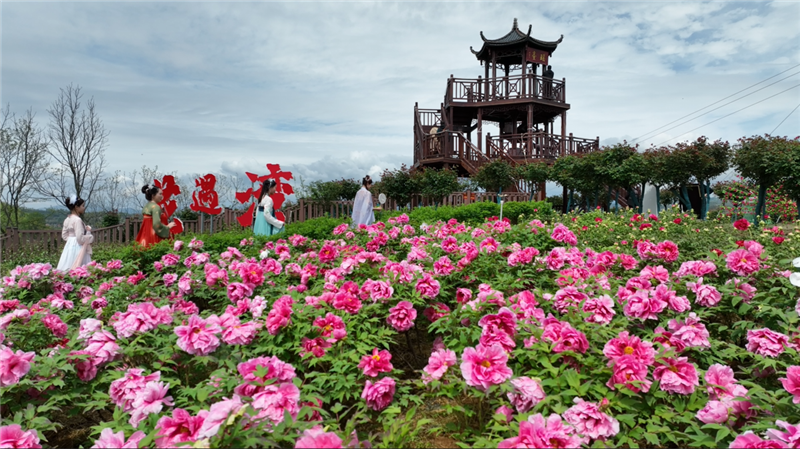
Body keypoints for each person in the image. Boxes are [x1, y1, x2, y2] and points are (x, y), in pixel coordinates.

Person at [56, 195, 94, 271]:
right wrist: (89, 234)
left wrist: (71, 240)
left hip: (69, 246)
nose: (84, 208)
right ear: (76, 207)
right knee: (79, 266)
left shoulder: (67, 219)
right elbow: (80, 239)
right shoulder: (77, 220)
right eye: (83, 206)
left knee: (67, 264)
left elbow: (64, 236)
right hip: (78, 247)